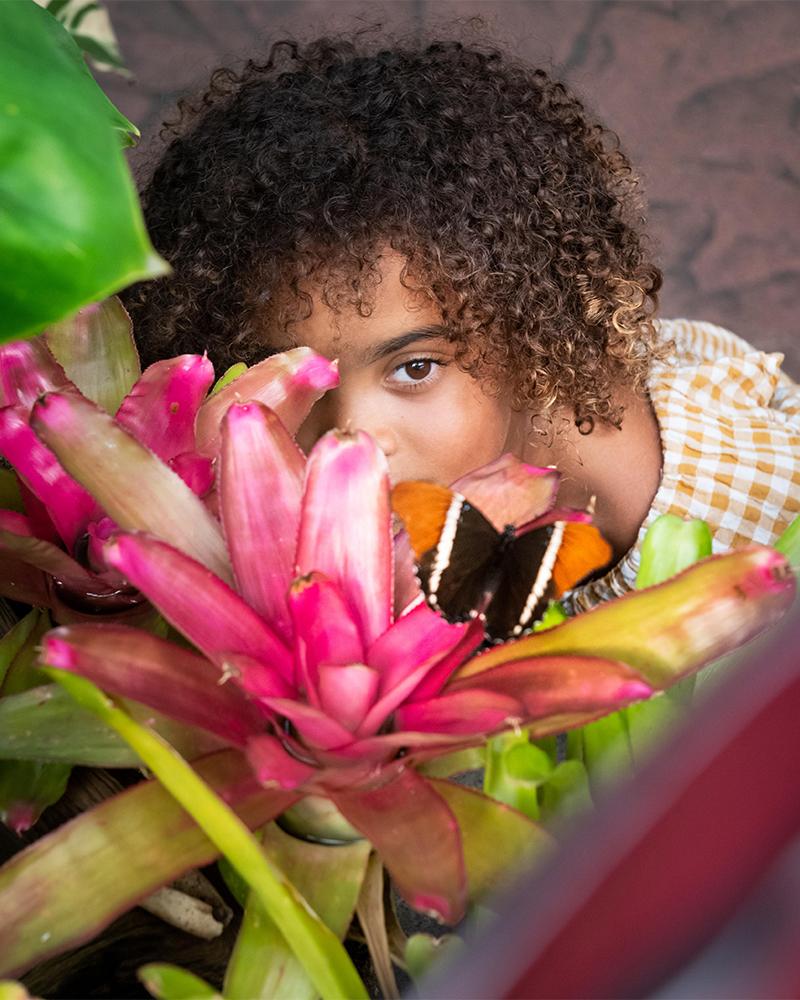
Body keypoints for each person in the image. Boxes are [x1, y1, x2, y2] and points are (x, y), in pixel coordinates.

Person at [123, 33, 800, 612]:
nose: (352, 441)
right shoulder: (369, 544)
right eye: (296, 383)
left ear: (530, 331)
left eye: (415, 368)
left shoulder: (745, 537)